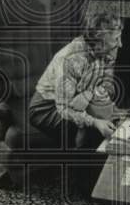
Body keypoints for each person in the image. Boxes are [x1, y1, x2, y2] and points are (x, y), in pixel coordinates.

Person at [28, 11, 124, 153]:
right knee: (94, 130)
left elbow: (107, 84)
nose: (120, 44)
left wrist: (89, 93)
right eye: (116, 39)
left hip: (77, 97)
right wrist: (95, 122)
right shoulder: (70, 60)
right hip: (47, 107)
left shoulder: (106, 49)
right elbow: (64, 108)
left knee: (111, 119)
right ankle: (79, 169)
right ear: (99, 39)